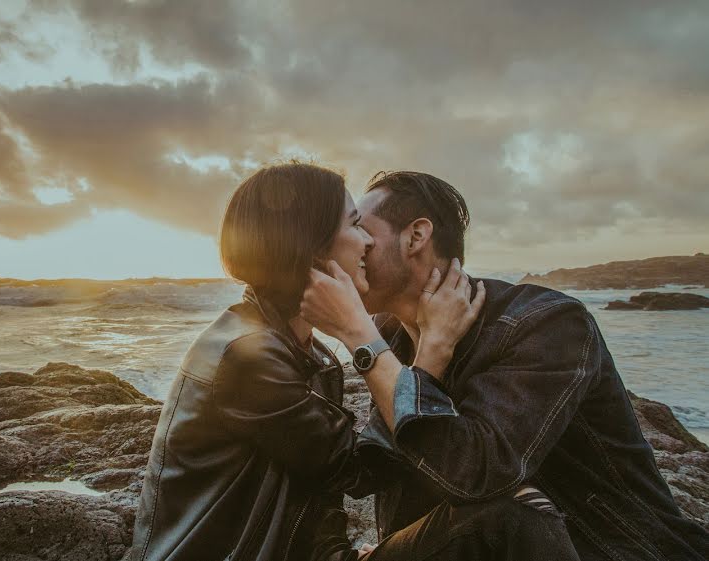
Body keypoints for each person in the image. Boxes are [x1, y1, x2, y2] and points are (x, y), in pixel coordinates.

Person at [300, 171, 709, 560]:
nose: (350, 245)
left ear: (416, 236)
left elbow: (475, 478)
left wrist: (359, 340)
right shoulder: (391, 334)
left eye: (361, 230)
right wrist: (426, 360)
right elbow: (380, 472)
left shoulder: (547, 323)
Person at [129, 162, 395, 561]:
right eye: (355, 224)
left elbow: (317, 493)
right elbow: (359, 471)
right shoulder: (248, 355)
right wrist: (399, 349)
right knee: (493, 519)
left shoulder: (305, 351)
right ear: (311, 246)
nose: (367, 242)